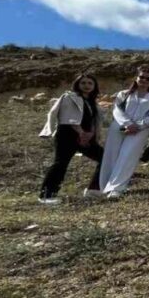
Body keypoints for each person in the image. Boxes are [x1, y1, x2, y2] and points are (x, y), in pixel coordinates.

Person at [37, 73, 104, 203]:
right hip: (67, 135)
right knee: (60, 164)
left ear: (94, 86)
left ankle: (94, 189)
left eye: (90, 83)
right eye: (83, 83)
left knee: (104, 157)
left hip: (85, 137)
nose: (86, 86)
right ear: (77, 84)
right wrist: (81, 133)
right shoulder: (69, 97)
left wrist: (91, 134)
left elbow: (95, 121)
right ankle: (46, 195)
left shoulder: (91, 102)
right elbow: (67, 117)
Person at [97, 67, 149, 199]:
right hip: (119, 127)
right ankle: (104, 186)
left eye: (148, 78)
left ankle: (117, 188)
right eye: (141, 77)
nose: (144, 80)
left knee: (128, 156)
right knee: (111, 155)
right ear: (136, 78)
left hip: (140, 130)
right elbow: (117, 110)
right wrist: (128, 124)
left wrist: (138, 126)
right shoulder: (124, 94)